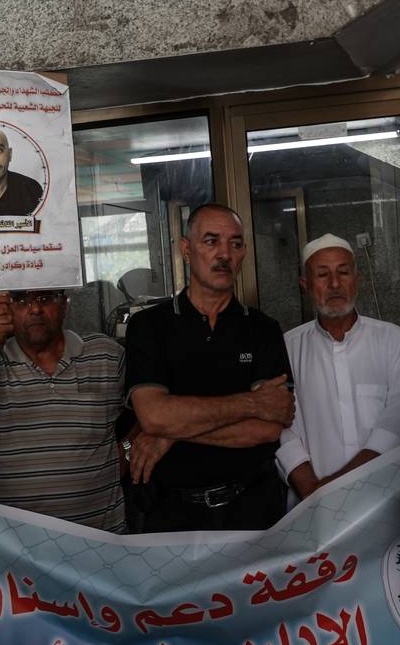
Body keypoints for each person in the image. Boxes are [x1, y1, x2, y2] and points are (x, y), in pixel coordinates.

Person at [124, 203, 294, 532]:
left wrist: (169, 437)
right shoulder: (149, 326)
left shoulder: (262, 329)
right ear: (186, 250)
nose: (224, 254)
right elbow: (154, 416)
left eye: (235, 243)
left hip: (252, 510)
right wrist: (253, 402)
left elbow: (267, 429)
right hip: (173, 513)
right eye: (211, 241)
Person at [0, 289, 126, 533]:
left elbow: (149, 412)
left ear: (64, 304)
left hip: (99, 542)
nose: (34, 309)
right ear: (6, 309)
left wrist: (129, 449)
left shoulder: (105, 354)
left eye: (45, 298)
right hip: (14, 547)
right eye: (21, 300)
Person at [277, 234, 400, 506]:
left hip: (386, 500)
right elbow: (281, 428)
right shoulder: (286, 347)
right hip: (312, 509)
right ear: (305, 284)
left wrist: (335, 486)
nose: (334, 284)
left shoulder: (393, 340)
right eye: (322, 275)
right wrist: (313, 492)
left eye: (343, 272)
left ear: (357, 279)